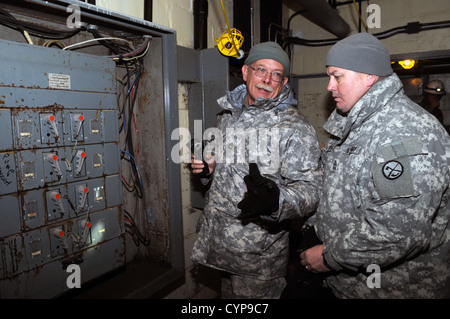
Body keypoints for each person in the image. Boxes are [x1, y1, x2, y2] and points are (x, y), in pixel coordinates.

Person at [300, 33, 450, 298]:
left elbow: (398, 231)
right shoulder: (360, 123)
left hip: (392, 288)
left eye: (337, 76)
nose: (329, 86)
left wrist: (329, 257)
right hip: (352, 283)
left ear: (367, 76)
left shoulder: (401, 133)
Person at [190, 41, 322, 298]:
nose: (267, 80)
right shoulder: (228, 115)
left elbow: (312, 189)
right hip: (219, 247)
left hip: (257, 259)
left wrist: (276, 201)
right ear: (245, 72)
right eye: (261, 69)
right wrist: (208, 171)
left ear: (284, 83)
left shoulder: (294, 127)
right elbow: (219, 164)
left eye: (276, 75)